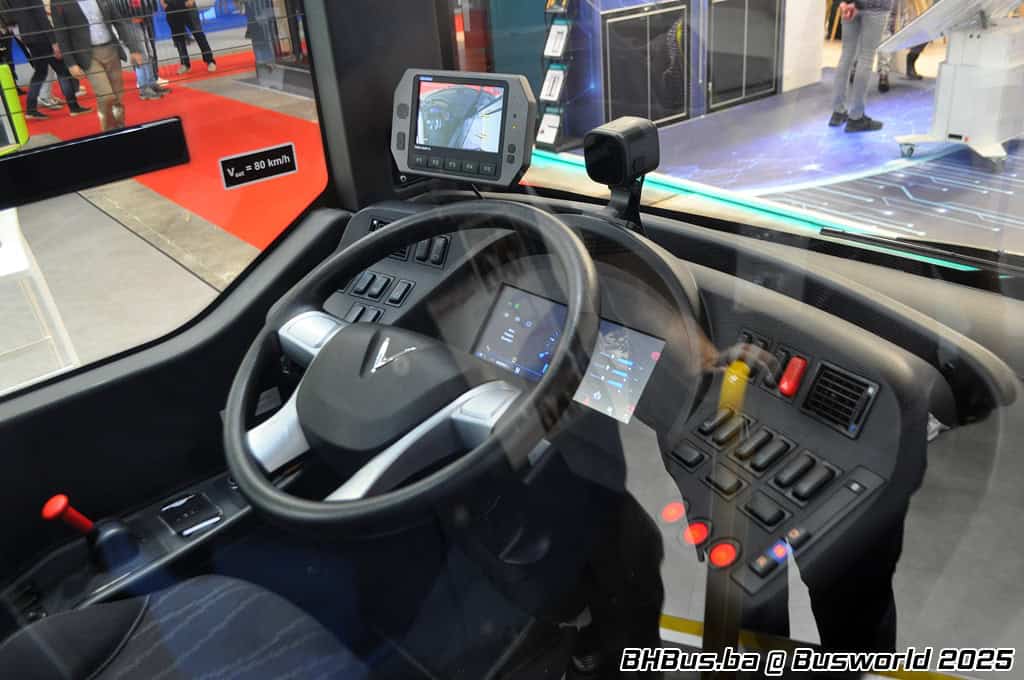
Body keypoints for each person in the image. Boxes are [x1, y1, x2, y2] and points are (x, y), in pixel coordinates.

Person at [51, 0, 146, 131]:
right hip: (88, 56)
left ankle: (120, 127)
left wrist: (133, 49)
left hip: (111, 50)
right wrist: (71, 63)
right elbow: (61, 36)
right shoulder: (59, 3)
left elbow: (119, 23)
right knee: (106, 97)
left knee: (118, 97)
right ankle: (108, 132)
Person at [8, 0, 90, 119]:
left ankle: (31, 109)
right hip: (42, 37)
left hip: (28, 37)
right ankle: (74, 107)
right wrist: (53, 41)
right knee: (62, 71)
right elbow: (41, 18)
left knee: (40, 73)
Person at [830, 0, 894, 132]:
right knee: (866, 57)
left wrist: (844, 2)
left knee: (846, 55)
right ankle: (856, 117)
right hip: (875, 6)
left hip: (848, 4)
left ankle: (838, 112)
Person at [162, 0, 215, 75]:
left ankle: (210, 61)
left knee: (198, 33)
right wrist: (163, 3)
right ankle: (184, 64)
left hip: (188, 6)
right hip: (171, 7)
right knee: (178, 38)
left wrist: (191, 1)